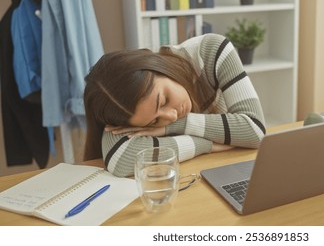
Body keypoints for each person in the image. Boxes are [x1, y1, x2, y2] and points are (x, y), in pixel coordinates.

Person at [83, 33, 266, 177]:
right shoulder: (119, 104)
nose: (170, 117)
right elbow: (122, 160)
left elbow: (255, 130)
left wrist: (179, 125)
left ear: (156, 65)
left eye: (164, 101)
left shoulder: (212, 51)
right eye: (154, 122)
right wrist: (206, 145)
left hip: (233, 169)